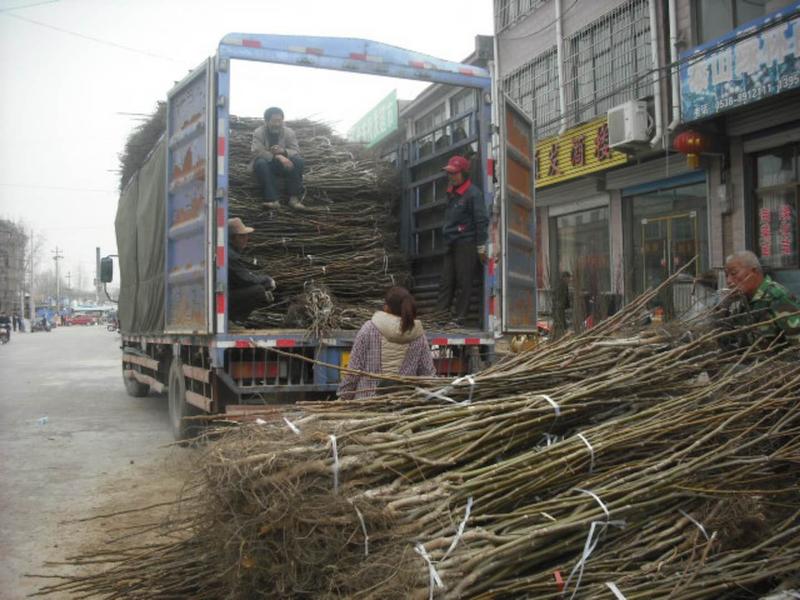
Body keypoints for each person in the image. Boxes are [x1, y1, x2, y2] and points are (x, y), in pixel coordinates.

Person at [338, 287, 436, 400]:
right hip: (401, 407)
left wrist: (344, 398)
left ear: (386, 308)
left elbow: (353, 372)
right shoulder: (418, 335)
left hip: (366, 405)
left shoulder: (369, 329)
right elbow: (428, 375)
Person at [436, 155, 489, 326]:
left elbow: (481, 220)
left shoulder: (473, 194)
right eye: (449, 173)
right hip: (451, 242)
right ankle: (441, 317)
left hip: (466, 243)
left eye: (454, 173)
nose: (451, 176)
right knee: (446, 282)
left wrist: (481, 245)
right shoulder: (451, 193)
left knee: (463, 281)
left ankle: (460, 318)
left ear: (464, 173)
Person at [724, 250, 800, 346]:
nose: (729, 280)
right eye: (726, 275)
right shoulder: (743, 303)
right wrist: (723, 307)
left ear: (754, 271)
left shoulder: (777, 298)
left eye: (734, 273)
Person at [250, 107, 306, 211]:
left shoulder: (289, 132)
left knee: (299, 161)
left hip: (284, 166)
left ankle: (294, 199)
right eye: (274, 121)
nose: (277, 124)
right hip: (268, 164)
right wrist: (278, 156)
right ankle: (273, 200)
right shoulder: (259, 132)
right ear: (266, 121)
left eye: (279, 121)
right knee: (260, 163)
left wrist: (284, 152)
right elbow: (257, 151)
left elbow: (296, 150)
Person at [227, 217, 276, 324]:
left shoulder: (230, 252)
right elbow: (245, 279)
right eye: (243, 236)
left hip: (227, 295)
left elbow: (241, 279)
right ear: (233, 238)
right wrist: (267, 281)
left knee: (258, 289)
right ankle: (234, 321)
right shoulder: (230, 255)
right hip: (223, 299)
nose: (247, 239)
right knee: (258, 290)